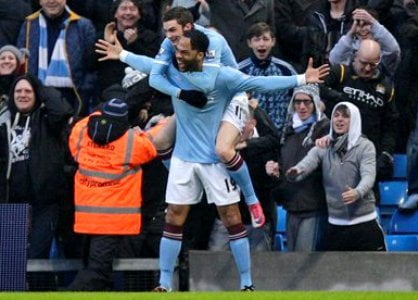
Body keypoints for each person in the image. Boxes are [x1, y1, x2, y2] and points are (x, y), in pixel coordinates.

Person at [150, 6, 267, 227]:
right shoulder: (170, 43)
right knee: (160, 141)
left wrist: (176, 79)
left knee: (223, 149)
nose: (169, 36)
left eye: (172, 30)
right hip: (198, 99)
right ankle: (188, 183)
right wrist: (180, 92)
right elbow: (155, 77)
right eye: (166, 31)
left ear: (188, 27)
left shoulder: (212, 40)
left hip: (228, 94)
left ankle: (252, 199)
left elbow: (208, 81)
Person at [67, 98, 158, 290]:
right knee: (98, 272)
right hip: (111, 222)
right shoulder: (131, 141)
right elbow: (150, 148)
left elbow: (84, 122)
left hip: (84, 219)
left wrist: (102, 111)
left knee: (96, 272)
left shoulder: (82, 133)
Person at [286, 102, 386, 251]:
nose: (340, 120)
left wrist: (357, 192)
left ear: (355, 120)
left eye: (346, 116)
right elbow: (306, 165)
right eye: (337, 115)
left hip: (365, 225)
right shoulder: (323, 146)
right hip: (335, 225)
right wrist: (295, 172)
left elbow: (369, 176)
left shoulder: (365, 146)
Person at [0, 74, 73, 258]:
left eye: (28, 91)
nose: (22, 95)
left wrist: (40, 88)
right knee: (12, 259)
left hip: (44, 203)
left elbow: (63, 111)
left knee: (36, 256)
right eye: (18, 91)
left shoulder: (47, 120)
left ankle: (39, 288)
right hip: (12, 202)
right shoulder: (3, 121)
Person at [320, 39, 399, 182]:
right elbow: (315, 88)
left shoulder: (387, 88)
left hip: (367, 155)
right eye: (364, 63)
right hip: (336, 152)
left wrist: (386, 153)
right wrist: (338, 97)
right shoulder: (341, 72)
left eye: (373, 64)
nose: (368, 68)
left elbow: (391, 126)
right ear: (355, 56)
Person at [265, 84, 329, 251]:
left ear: (315, 103)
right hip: (291, 206)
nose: (301, 106)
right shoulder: (287, 131)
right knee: (292, 260)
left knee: (303, 260)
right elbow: (283, 165)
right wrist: (275, 172)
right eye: (297, 102)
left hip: (314, 206)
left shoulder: (325, 130)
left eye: (307, 102)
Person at [17, 0, 96, 118]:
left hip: (72, 100)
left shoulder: (83, 25)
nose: (51, 1)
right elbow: (20, 63)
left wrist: (83, 102)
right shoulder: (29, 24)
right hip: (36, 97)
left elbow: (91, 68)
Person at [239, 22, 297, 133]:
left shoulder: (286, 70)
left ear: (273, 42)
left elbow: (300, 94)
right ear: (249, 43)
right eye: (257, 40)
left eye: (265, 39)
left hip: (282, 133)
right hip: (252, 135)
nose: (261, 44)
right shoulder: (240, 71)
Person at [97, 0, 160, 94]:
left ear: (139, 14)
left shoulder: (151, 37)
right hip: (109, 92)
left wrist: (135, 43)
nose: (128, 12)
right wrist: (107, 42)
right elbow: (90, 64)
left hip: (143, 92)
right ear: (115, 14)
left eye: (132, 9)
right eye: (123, 8)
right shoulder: (104, 35)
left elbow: (155, 64)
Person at [329, 7, 401, 77]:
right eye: (358, 25)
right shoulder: (350, 47)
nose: (363, 29)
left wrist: (373, 21)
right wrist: (350, 34)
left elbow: (393, 51)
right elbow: (334, 60)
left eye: (366, 24)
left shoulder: (383, 49)